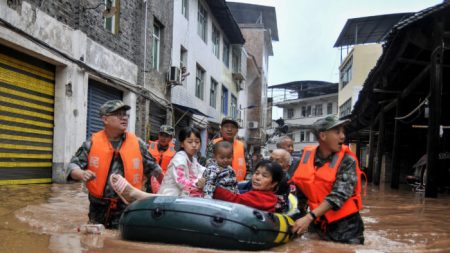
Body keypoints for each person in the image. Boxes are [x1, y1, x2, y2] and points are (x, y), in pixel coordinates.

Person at [67, 100, 163, 229]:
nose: (124, 117)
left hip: (127, 206)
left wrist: (169, 191)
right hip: (98, 207)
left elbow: (155, 170)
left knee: (122, 242)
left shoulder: (138, 143)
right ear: (105, 119)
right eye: (118, 114)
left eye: (125, 114)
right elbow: (72, 166)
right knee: (93, 243)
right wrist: (81, 173)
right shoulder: (91, 143)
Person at [291, 115, 365, 244]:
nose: (343, 136)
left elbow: (338, 196)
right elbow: (302, 190)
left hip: (346, 228)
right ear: (323, 136)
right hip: (318, 224)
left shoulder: (347, 161)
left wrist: (309, 217)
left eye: (343, 132)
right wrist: (299, 215)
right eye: (337, 132)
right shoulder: (306, 159)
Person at [212, 160, 284, 212]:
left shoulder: (261, 198)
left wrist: (213, 188)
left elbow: (235, 199)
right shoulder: (268, 196)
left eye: (264, 176)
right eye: (256, 173)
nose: (257, 178)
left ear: (273, 183)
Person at [206, 117, 250, 182]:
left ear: (237, 130)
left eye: (233, 127)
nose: (229, 129)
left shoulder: (242, 146)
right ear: (221, 129)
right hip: (218, 185)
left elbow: (248, 168)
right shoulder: (213, 144)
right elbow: (208, 164)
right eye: (226, 126)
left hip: (239, 186)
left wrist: (247, 182)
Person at [147, 125, 176, 193]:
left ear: (171, 138)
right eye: (161, 135)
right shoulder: (148, 148)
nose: (163, 138)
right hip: (148, 183)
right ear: (158, 135)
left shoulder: (175, 154)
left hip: (164, 184)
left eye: (166, 136)